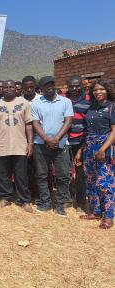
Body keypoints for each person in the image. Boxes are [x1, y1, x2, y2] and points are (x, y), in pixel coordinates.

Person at [0, 80, 34, 212]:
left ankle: (25, 200)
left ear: (16, 89)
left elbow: (29, 125)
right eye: (6, 87)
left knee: (21, 175)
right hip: (2, 145)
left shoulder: (24, 104)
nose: (8, 89)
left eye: (11, 87)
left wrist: (30, 143)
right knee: (3, 174)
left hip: (20, 145)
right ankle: (5, 197)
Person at [31, 76, 73, 217]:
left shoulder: (66, 101)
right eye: (45, 86)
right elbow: (35, 123)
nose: (49, 87)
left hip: (60, 145)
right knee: (42, 175)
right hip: (41, 145)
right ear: (41, 89)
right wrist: (46, 139)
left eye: (51, 84)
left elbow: (68, 121)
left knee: (63, 176)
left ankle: (60, 204)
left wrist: (56, 138)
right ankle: (45, 202)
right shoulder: (36, 103)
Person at [79, 79, 114, 229]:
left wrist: (103, 149)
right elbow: (86, 132)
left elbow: (114, 131)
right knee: (91, 180)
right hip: (89, 146)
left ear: (107, 91)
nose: (98, 92)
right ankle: (96, 211)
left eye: (101, 89)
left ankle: (109, 216)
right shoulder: (91, 108)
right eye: (95, 90)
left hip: (104, 146)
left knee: (105, 181)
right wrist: (80, 151)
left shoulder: (112, 107)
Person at [64, 75, 90, 211]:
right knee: (65, 172)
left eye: (77, 85)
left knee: (80, 173)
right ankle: (67, 198)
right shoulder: (62, 98)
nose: (74, 88)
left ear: (82, 85)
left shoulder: (88, 100)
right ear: (67, 86)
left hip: (81, 141)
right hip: (64, 141)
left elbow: (90, 123)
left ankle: (80, 201)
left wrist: (82, 146)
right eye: (71, 86)